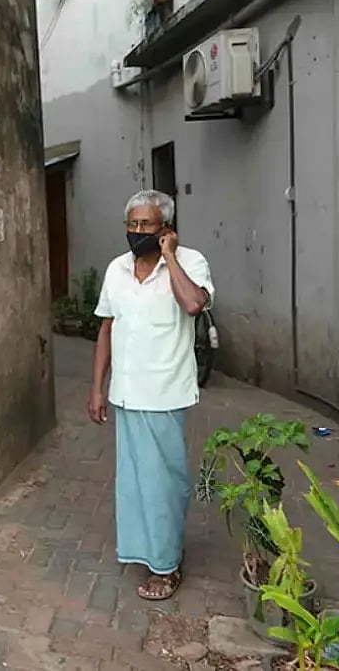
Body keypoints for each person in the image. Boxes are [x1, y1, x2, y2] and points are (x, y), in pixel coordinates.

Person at [88, 190, 214, 602]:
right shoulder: (117, 269)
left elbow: (194, 304)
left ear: (166, 229)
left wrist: (170, 257)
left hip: (164, 394)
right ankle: (147, 553)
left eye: (147, 224)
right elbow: (106, 328)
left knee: (165, 484)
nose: (138, 231)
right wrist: (97, 388)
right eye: (133, 224)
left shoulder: (190, 262)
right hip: (125, 394)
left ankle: (168, 566)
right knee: (135, 484)